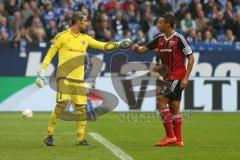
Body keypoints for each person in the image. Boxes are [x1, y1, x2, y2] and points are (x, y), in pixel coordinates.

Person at [36, 11, 131, 146]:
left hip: (79, 80)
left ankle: (80, 138)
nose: (87, 23)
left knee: (81, 109)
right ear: (78, 21)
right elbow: (50, 53)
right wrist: (42, 70)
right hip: (64, 77)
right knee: (62, 105)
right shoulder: (62, 36)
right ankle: (49, 135)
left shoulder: (85, 38)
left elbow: (102, 45)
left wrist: (118, 44)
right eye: (85, 21)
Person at [132, 14, 194, 147]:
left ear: (168, 24)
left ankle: (170, 136)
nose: (157, 25)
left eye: (160, 23)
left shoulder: (179, 39)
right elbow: (143, 50)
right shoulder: (159, 39)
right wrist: (137, 49)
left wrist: (186, 78)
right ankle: (178, 140)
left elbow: (191, 58)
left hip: (177, 77)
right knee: (174, 107)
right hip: (167, 78)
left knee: (161, 100)